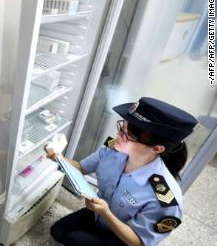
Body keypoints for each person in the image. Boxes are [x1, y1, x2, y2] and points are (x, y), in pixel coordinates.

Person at [46, 97, 197, 246]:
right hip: (99, 216)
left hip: (125, 236)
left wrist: (106, 213)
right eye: (121, 128)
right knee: (58, 232)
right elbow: (80, 168)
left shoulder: (166, 200)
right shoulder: (112, 149)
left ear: (157, 148)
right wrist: (57, 157)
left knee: (76, 239)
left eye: (127, 135)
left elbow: (139, 242)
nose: (119, 135)